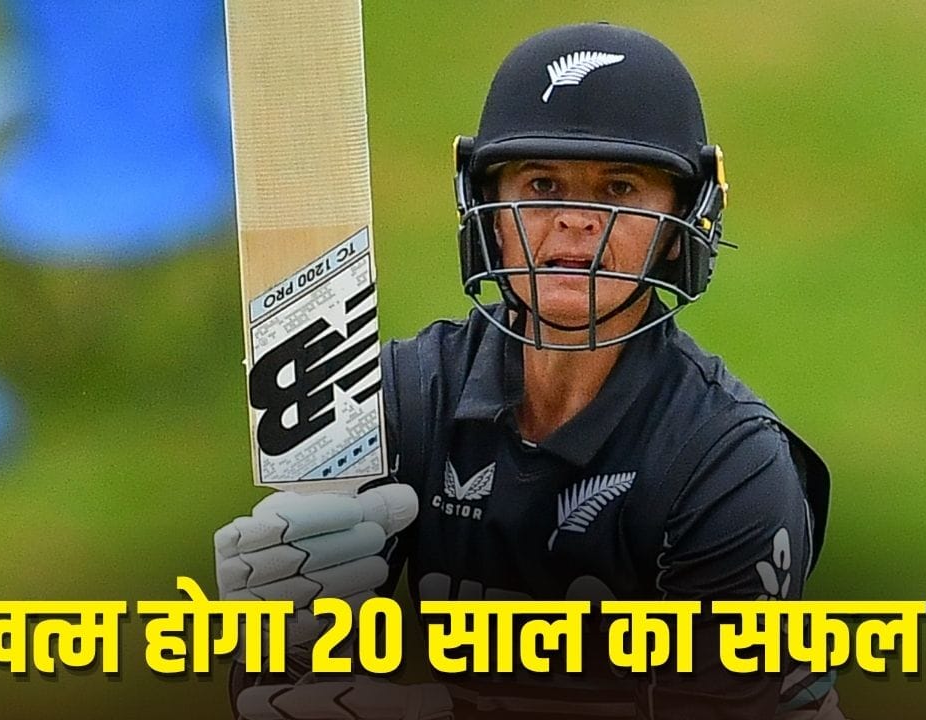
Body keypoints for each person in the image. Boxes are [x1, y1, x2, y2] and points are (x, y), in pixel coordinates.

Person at [215, 22, 839, 720]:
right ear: (487, 211)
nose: (576, 220)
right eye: (542, 184)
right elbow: (280, 691)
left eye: (619, 188)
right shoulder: (400, 401)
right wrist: (274, 638)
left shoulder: (728, 464)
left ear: (680, 224)